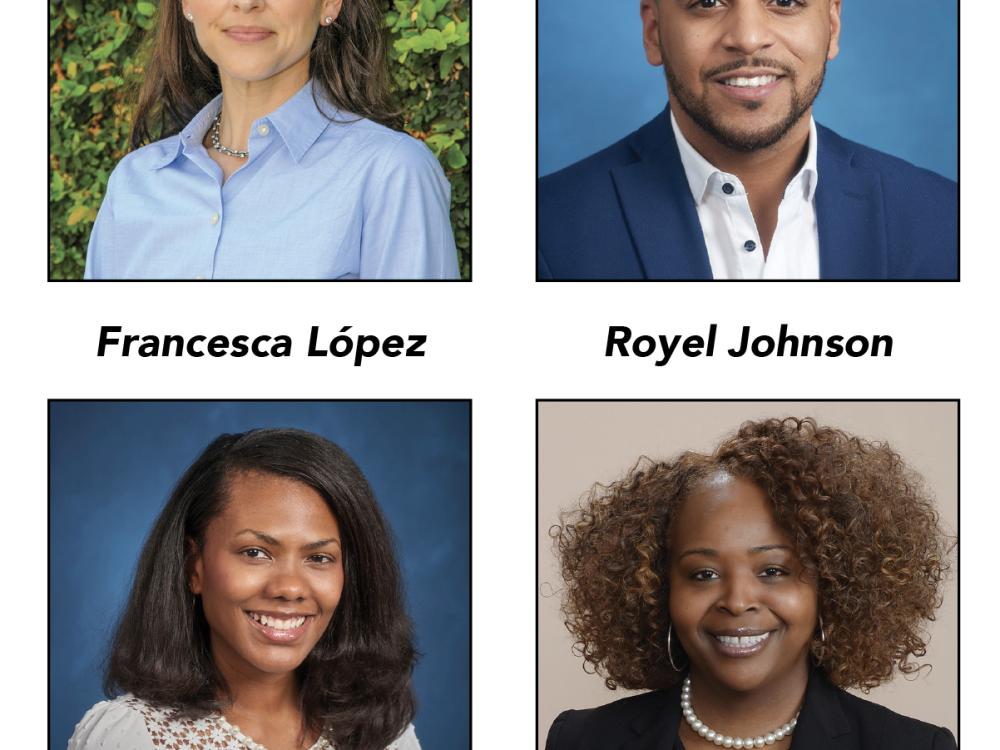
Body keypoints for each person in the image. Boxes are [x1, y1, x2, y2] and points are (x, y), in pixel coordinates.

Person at [547, 418, 956, 749]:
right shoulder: (581, 740)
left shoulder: (915, 745)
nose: (737, 601)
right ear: (658, 589)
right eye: (703, 574)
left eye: (773, 571)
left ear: (832, 587)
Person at [537, 0, 957, 280]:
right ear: (653, 31)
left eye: (785, 0)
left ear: (831, 25)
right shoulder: (542, 231)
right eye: (708, 0)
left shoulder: (949, 221)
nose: (749, 36)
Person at [68, 428, 421, 750]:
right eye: (255, 553)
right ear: (195, 566)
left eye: (319, 557)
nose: (290, 588)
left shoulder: (383, 733)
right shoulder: (132, 737)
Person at [84, 0, 458, 280]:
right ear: (187, 4)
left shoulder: (392, 175)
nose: (246, 3)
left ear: (328, 3)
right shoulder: (133, 183)